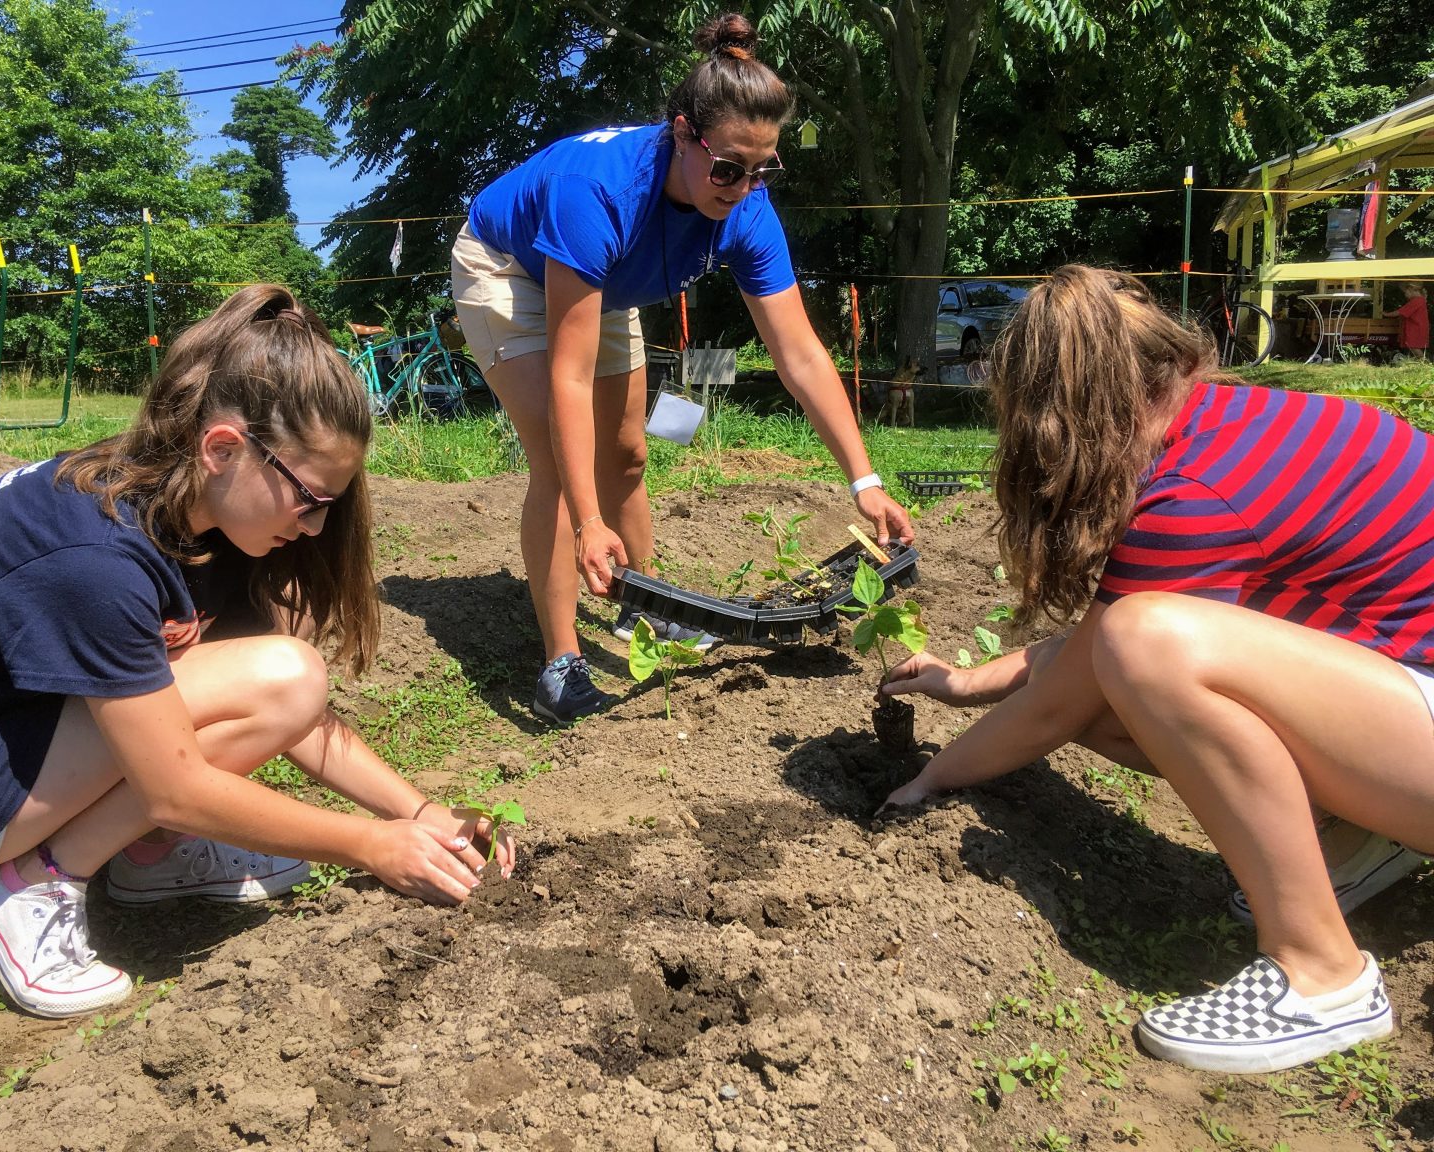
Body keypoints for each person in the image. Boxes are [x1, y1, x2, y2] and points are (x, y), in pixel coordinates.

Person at [0, 285, 515, 1019]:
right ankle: (30, 881)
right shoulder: (93, 553)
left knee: (284, 673)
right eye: (310, 500)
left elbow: (287, 709)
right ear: (223, 448)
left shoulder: (192, 514)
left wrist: (419, 813)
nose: (317, 529)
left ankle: (149, 857)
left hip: (20, 737)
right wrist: (373, 845)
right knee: (281, 673)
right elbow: (176, 785)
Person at [878, 266, 1433, 1074]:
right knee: (1132, 651)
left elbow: (1077, 691)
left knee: (1145, 650)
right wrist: (966, 683)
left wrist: (926, 781)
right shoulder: (1241, 423)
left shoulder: (1195, 496)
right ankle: (1358, 842)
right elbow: (1092, 654)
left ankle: (1324, 974)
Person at [452, 12, 913, 725]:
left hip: (601, 280)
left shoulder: (747, 210)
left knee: (629, 453)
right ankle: (560, 660)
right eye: (728, 167)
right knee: (554, 454)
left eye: (762, 170)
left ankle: (648, 608)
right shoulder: (597, 192)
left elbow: (799, 355)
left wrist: (866, 480)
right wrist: (587, 522)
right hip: (512, 267)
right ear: (680, 134)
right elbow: (568, 377)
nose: (741, 186)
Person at [1388, 281, 1428, 362]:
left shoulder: (1417, 301)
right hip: (1417, 327)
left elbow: (1401, 312)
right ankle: (1421, 363)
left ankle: (1425, 363)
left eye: (1406, 291)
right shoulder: (1420, 300)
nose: (1405, 294)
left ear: (1412, 289)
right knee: (1413, 347)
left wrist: (1386, 314)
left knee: (1414, 347)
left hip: (1415, 328)